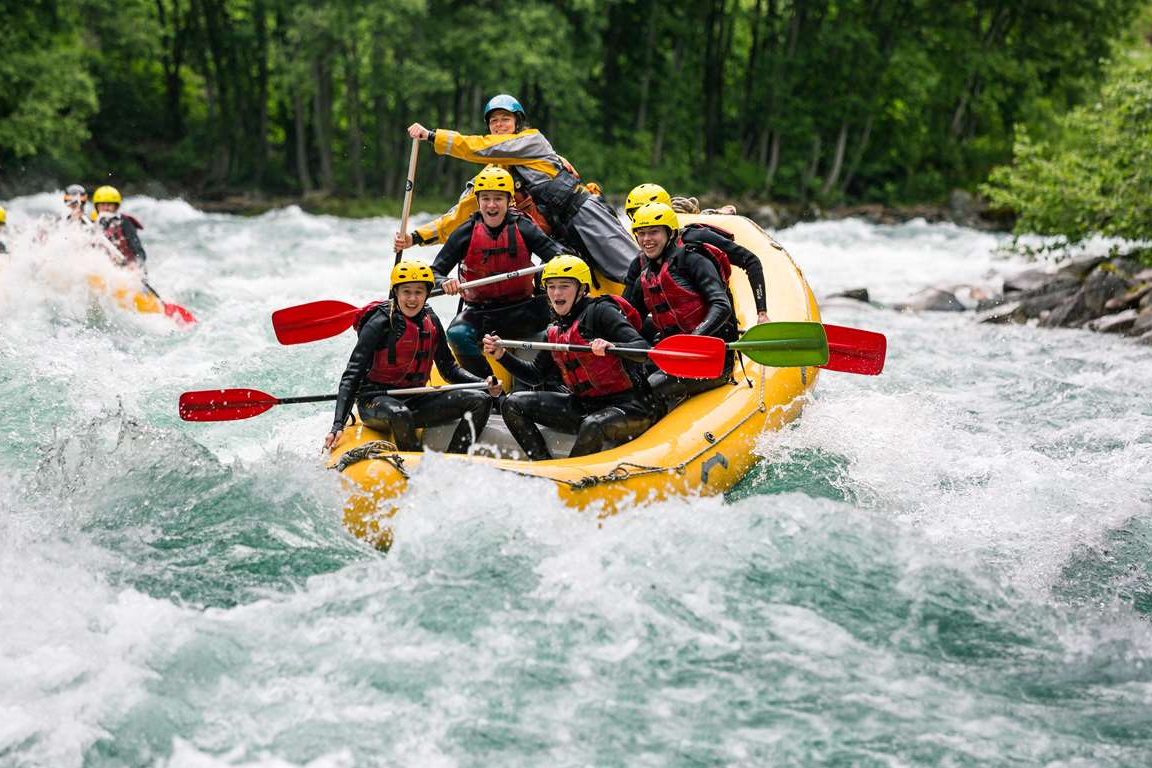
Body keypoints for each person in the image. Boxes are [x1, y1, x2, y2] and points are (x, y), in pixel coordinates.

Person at [394, 94, 638, 284]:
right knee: (561, 282)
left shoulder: (532, 140)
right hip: (557, 237)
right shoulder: (494, 175)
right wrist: (415, 237)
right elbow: (460, 215)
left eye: (505, 120)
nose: (499, 125)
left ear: (517, 123)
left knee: (629, 268)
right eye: (494, 121)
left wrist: (432, 136)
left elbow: (477, 147)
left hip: (582, 213)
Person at [481, 255, 658, 461]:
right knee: (512, 403)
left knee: (593, 424)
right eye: (551, 286)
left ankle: (570, 481)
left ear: (582, 289)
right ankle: (543, 466)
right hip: (583, 404)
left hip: (630, 407)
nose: (557, 293)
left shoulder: (602, 311)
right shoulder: (555, 329)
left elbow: (644, 350)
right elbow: (535, 375)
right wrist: (502, 356)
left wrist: (613, 346)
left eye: (564, 286)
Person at [324, 260, 501, 455]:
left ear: (427, 294)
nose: (412, 299)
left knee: (481, 400)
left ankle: (455, 460)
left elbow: (449, 368)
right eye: (406, 291)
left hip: (416, 397)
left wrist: (482, 383)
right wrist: (338, 424)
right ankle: (415, 468)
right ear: (396, 293)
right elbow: (352, 375)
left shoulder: (431, 320)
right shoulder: (380, 322)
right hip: (375, 400)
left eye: (418, 292)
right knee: (400, 413)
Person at [429, 165, 567, 379]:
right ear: (478, 201)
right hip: (481, 313)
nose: (491, 205)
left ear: (509, 200)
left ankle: (549, 383)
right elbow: (433, 273)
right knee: (457, 334)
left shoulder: (524, 227)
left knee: (561, 323)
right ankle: (487, 390)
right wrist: (444, 282)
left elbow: (560, 258)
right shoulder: (465, 233)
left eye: (498, 199)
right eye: (485, 198)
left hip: (524, 310)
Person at [623, 202, 736, 410]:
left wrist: (693, 339)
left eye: (654, 232)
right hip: (671, 356)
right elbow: (629, 323)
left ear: (670, 233)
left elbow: (721, 305)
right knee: (629, 379)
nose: (646, 239)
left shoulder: (693, 260)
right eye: (641, 233)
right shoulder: (645, 276)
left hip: (710, 359)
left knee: (648, 388)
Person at [624, 183, 769, 324]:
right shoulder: (642, 261)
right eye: (636, 215)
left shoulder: (696, 238)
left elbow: (750, 260)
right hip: (672, 331)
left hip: (713, 324)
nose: (643, 218)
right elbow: (627, 308)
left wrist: (762, 313)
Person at [92, 186, 147, 270]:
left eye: (110, 204)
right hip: (106, 268)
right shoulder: (93, 223)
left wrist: (136, 264)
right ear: (97, 207)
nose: (106, 208)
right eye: (102, 204)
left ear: (116, 206)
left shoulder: (125, 222)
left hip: (127, 268)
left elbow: (139, 251)